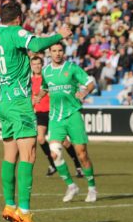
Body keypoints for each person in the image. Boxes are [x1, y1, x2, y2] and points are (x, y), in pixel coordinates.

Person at [0, 1, 72, 222]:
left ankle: (9, 205)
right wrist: (59, 35)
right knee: (29, 153)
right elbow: (35, 44)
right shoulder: (16, 31)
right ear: (18, 18)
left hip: (4, 102)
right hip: (19, 103)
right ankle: (24, 211)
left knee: (10, 155)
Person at [36, 43, 98, 203]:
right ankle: (71, 186)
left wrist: (85, 91)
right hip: (56, 118)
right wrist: (38, 97)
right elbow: (45, 88)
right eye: (54, 51)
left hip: (73, 115)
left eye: (60, 50)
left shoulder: (72, 68)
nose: (57, 53)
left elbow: (90, 82)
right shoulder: (46, 71)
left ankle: (92, 187)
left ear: (64, 52)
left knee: (82, 154)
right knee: (54, 153)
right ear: (49, 53)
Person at [30, 56, 84, 178]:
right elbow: (31, 98)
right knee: (40, 139)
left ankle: (77, 165)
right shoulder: (30, 81)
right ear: (31, 66)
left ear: (42, 64)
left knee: (64, 142)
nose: (37, 66)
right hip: (39, 113)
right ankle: (52, 164)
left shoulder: (48, 76)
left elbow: (56, 91)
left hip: (54, 112)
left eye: (39, 63)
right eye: (34, 64)